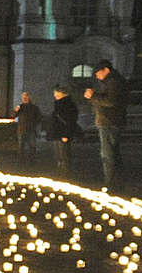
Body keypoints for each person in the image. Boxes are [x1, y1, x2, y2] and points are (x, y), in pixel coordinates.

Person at [84, 60, 128, 192]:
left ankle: (112, 185)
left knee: (108, 155)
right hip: (110, 122)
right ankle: (116, 184)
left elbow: (110, 101)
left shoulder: (113, 82)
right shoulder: (112, 81)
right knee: (112, 153)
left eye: (98, 73)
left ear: (106, 70)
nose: (97, 76)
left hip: (109, 122)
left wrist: (93, 96)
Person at [48, 86, 79, 176]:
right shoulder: (59, 104)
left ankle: (65, 173)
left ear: (62, 93)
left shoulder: (68, 105)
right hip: (58, 133)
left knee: (64, 155)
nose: (54, 95)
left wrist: (66, 134)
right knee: (59, 155)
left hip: (63, 133)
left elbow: (70, 121)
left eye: (56, 93)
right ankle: (61, 172)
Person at [13, 91, 42, 167]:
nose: (24, 98)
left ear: (29, 97)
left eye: (26, 96)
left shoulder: (34, 107)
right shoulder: (20, 107)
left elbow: (39, 117)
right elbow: (14, 116)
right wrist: (15, 111)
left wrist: (34, 124)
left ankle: (31, 162)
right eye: (23, 96)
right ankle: (20, 162)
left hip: (31, 130)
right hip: (21, 129)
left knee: (32, 146)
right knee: (20, 147)